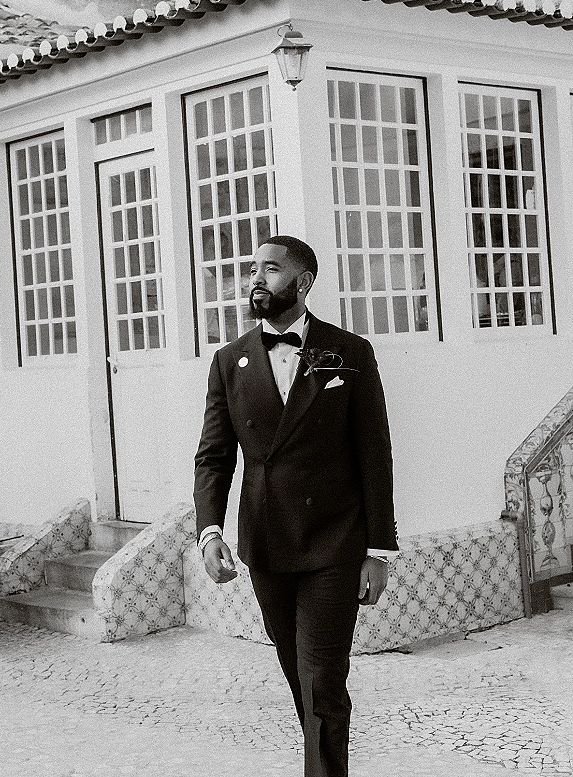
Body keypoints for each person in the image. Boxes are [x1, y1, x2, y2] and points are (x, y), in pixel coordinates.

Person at [194, 234, 398, 777]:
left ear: (303, 283)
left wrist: (378, 549)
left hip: (335, 541)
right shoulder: (228, 361)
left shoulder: (349, 352)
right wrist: (209, 532)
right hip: (266, 543)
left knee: (323, 678)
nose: (256, 278)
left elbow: (374, 454)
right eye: (252, 268)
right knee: (298, 674)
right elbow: (214, 458)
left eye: (272, 269)